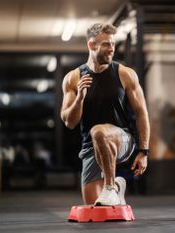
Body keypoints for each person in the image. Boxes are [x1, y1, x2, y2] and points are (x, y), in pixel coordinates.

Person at [61, 23, 150, 206]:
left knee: (99, 131)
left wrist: (144, 151)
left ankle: (109, 187)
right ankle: (117, 186)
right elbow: (69, 122)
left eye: (112, 44)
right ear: (91, 45)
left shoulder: (125, 74)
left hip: (122, 140)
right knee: (96, 208)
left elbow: (141, 113)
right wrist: (79, 99)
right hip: (91, 146)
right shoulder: (73, 78)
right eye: (106, 45)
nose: (111, 49)